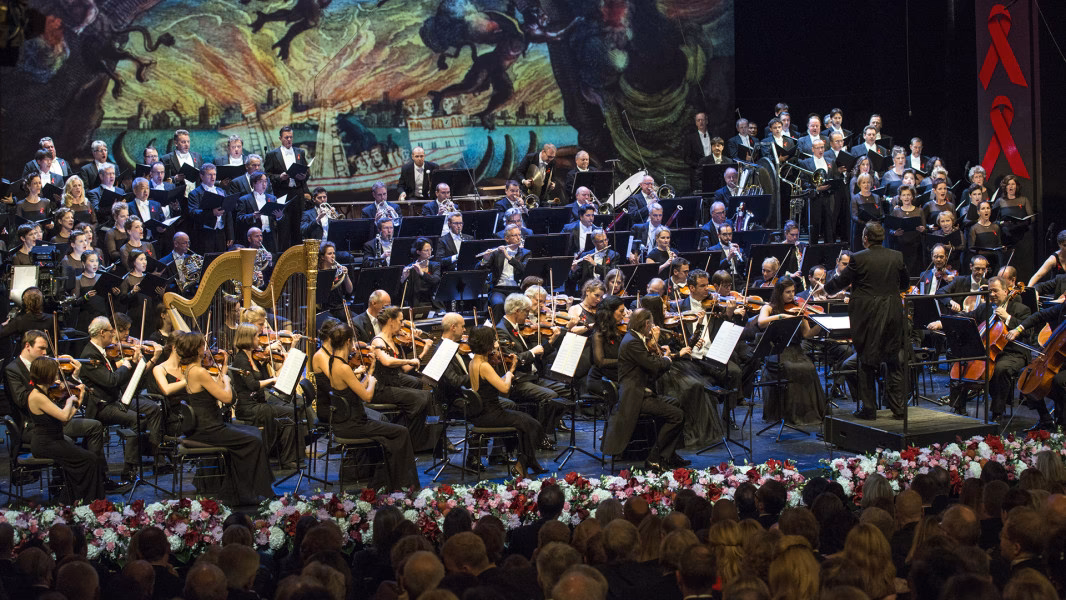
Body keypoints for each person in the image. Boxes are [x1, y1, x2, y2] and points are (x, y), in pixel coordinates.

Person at [173, 330, 275, 504]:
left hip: (206, 425)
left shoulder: (191, 370)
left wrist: (224, 369)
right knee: (253, 441)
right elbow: (227, 398)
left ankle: (239, 490)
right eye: (202, 345)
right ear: (197, 349)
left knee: (253, 432)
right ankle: (251, 492)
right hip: (209, 429)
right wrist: (228, 381)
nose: (205, 349)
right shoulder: (199, 372)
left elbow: (216, 388)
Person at [823, 222, 910, 419]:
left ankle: (869, 409)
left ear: (865, 239)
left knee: (866, 361)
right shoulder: (896, 256)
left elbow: (842, 281)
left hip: (868, 315)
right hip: (893, 313)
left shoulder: (858, 258)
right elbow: (905, 284)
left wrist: (826, 290)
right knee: (893, 360)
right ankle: (899, 409)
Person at [318, 322, 419, 489]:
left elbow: (357, 387)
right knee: (401, 432)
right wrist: (372, 381)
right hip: (353, 424)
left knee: (393, 432)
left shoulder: (333, 362)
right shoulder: (343, 367)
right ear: (347, 341)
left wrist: (371, 370)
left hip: (349, 421)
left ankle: (388, 482)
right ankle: (403, 484)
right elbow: (367, 396)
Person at [930, 276, 1029, 419]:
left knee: (1001, 369)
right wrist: (941, 323)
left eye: (995, 291)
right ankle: (959, 407)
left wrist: (1007, 317)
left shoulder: (1021, 309)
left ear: (1006, 291)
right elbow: (968, 316)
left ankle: (997, 412)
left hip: (1013, 353)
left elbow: (1028, 332)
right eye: (989, 291)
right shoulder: (985, 308)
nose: (992, 295)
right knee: (962, 360)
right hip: (988, 349)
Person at [79, 316, 165, 481]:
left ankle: (143, 460)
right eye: (110, 332)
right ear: (102, 333)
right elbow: (111, 380)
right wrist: (126, 364)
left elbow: (121, 378)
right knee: (136, 420)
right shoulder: (90, 354)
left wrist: (132, 363)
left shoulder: (103, 350)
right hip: (100, 406)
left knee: (145, 414)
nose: (113, 335)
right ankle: (129, 470)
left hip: (114, 400)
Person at [601, 308, 686, 472]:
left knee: (676, 403)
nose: (652, 327)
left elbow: (650, 368)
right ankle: (654, 458)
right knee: (677, 416)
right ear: (647, 324)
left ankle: (669, 455)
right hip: (635, 398)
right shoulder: (632, 341)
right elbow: (653, 365)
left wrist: (662, 359)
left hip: (641, 392)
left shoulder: (635, 338)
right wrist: (667, 358)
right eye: (651, 324)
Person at [466, 326, 548, 477]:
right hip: (491, 414)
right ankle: (522, 464)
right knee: (532, 425)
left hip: (484, 412)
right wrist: (510, 373)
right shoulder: (484, 366)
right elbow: (504, 388)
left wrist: (506, 369)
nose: (495, 344)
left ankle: (529, 462)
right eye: (493, 341)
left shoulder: (474, 361)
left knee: (527, 422)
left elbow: (494, 383)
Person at [25, 356, 104, 502]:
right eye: (54, 373)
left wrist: (78, 401)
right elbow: (63, 416)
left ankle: (78, 498)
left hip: (55, 439)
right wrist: (69, 401)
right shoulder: (36, 396)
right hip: (45, 444)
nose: (57, 377)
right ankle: (83, 500)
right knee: (90, 459)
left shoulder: (45, 393)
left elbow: (64, 421)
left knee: (90, 458)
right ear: (46, 374)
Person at [496, 293, 569, 449]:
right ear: (516, 311)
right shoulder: (502, 330)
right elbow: (511, 359)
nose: (528, 314)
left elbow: (538, 354)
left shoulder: (519, 328)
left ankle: (544, 430)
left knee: (566, 391)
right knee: (551, 396)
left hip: (532, 377)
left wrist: (552, 340)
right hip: (518, 381)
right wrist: (531, 352)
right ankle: (539, 436)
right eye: (526, 311)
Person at [230, 323, 301, 470]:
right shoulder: (240, 359)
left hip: (260, 403)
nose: (260, 339)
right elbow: (253, 385)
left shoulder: (255, 357)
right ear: (248, 338)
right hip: (248, 407)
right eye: (257, 336)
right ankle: (278, 456)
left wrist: (275, 365)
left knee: (291, 413)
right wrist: (272, 379)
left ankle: (288, 458)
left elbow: (267, 383)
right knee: (289, 412)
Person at [756, 278, 826, 426]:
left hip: (796, 349)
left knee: (809, 368)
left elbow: (807, 334)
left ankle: (807, 414)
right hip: (776, 350)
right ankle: (789, 414)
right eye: (788, 292)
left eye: (793, 291)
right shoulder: (769, 308)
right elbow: (761, 323)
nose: (791, 295)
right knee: (790, 368)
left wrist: (820, 325)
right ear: (779, 292)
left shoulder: (798, 308)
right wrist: (781, 316)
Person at [370, 306, 436, 452]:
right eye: (400, 321)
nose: (403, 325)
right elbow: (386, 361)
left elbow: (405, 369)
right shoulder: (378, 341)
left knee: (423, 393)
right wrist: (409, 361)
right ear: (391, 321)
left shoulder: (394, 341)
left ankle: (417, 438)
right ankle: (407, 438)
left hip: (393, 383)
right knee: (421, 398)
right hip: (381, 388)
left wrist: (423, 352)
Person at [1007, 301, 1066, 430]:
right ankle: (1045, 419)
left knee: (1059, 381)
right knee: (1027, 376)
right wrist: (1019, 328)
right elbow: (1040, 315)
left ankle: (1062, 422)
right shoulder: (1063, 307)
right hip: (1057, 360)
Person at [482, 224, 529, 321]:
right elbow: (481, 270)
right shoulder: (497, 253)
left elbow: (524, 269)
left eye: (519, 235)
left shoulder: (526, 253)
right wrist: (485, 260)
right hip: (499, 289)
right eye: (514, 235)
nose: (518, 237)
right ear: (507, 239)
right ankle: (499, 333)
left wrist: (509, 257)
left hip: (517, 289)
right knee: (498, 304)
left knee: (520, 307)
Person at [799, 138, 838, 244]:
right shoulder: (806, 163)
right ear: (812, 149)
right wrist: (816, 188)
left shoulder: (830, 161)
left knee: (829, 227)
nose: (820, 150)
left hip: (828, 197)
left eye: (822, 147)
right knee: (814, 227)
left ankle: (830, 251)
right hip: (814, 198)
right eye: (817, 148)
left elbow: (835, 177)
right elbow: (803, 182)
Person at [187, 163, 233, 253]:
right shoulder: (195, 194)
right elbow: (193, 213)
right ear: (202, 176)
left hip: (221, 233)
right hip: (205, 235)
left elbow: (228, 214)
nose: (213, 177)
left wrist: (230, 235)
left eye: (214, 174)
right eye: (209, 174)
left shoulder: (221, 191)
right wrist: (212, 213)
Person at [236, 172, 284, 252]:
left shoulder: (272, 198)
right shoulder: (244, 199)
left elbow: (277, 220)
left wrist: (279, 216)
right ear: (254, 183)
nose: (264, 184)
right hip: (254, 238)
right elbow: (239, 218)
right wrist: (253, 216)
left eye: (265, 181)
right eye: (261, 181)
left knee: (271, 259)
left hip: (270, 235)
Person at [889, 184, 927, 275]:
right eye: (904, 195)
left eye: (909, 195)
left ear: (912, 196)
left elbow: (925, 228)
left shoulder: (919, 211)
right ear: (900, 197)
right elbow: (890, 230)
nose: (906, 197)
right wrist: (895, 232)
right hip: (900, 246)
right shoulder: (896, 211)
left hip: (915, 247)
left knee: (914, 272)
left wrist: (923, 229)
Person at [264, 125, 309, 197]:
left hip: (299, 192)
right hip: (281, 192)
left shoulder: (300, 152)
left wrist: (304, 176)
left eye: (291, 137)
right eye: (286, 137)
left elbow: (307, 172)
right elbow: (267, 175)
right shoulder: (272, 155)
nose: (289, 139)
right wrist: (280, 177)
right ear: (280, 138)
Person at [402, 237, 442, 307]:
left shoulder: (435, 265)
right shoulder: (411, 268)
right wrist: (403, 279)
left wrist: (422, 273)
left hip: (434, 304)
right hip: (418, 305)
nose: (429, 253)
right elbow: (407, 294)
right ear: (418, 252)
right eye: (426, 250)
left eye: (430, 249)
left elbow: (436, 280)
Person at [996, 174, 1034, 247]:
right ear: (1005, 187)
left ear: (1016, 186)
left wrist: (1024, 222)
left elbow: (1032, 218)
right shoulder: (1000, 201)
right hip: (1006, 234)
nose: (1011, 186)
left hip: (1022, 232)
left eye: (1013, 184)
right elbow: (993, 220)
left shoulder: (1024, 200)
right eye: (1008, 184)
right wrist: (1001, 222)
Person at [850, 173, 884, 251]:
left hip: (874, 231)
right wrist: (866, 224)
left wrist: (877, 222)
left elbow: (881, 213)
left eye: (868, 182)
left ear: (871, 184)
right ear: (859, 184)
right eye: (864, 182)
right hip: (860, 230)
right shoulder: (855, 198)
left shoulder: (876, 197)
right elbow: (854, 216)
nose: (866, 185)